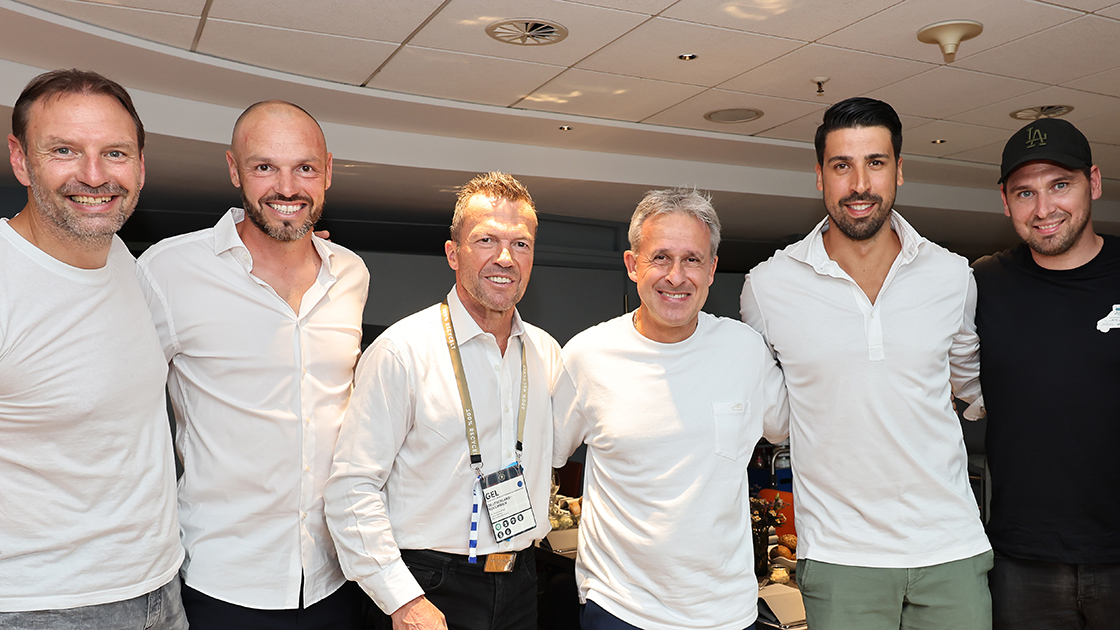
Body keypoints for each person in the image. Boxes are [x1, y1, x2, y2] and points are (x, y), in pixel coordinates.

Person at [740, 97, 991, 630]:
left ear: (899, 170)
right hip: (839, 556)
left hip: (951, 547)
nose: (859, 184)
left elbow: (969, 387)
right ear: (819, 177)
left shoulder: (951, 276)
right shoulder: (768, 286)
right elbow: (770, 408)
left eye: (875, 163)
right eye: (841, 165)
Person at [135, 100, 370, 629]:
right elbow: (123, 409)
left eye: (304, 168)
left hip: (336, 579)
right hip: (221, 582)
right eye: (265, 167)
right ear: (234, 170)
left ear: (328, 171)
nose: (287, 187)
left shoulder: (351, 274)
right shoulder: (169, 271)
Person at [325, 172, 561, 630]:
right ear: (453, 253)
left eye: (521, 244)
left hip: (520, 585)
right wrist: (402, 601)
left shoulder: (546, 352)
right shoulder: (403, 351)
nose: (505, 258)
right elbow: (351, 488)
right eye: (486, 240)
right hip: (428, 585)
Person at [552, 189, 788, 630]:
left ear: (713, 269)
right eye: (660, 257)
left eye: (692, 259)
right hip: (623, 610)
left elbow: (787, 426)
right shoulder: (588, 356)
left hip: (729, 614)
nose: (676, 276)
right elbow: (541, 455)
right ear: (632, 264)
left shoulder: (744, 350)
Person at [0, 69, 185, 628]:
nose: (94, 175)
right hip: (40, 606)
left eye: (116, 153)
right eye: (64, 150)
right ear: (20, 159)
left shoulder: (123, 259)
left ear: (142, 166)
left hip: (160, 588)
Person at [972, 118, 1120, 629]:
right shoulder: (983, 285)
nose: (1044, 209)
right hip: (1021, 563)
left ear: (1094, 183)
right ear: (1005, 201)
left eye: (1061, 185)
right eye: (1025, 193)